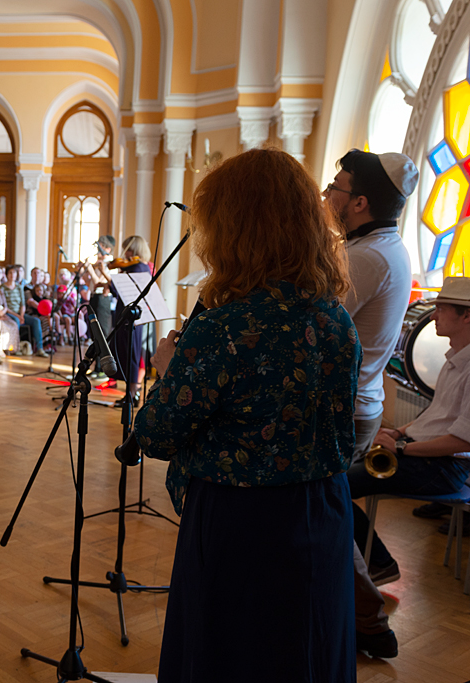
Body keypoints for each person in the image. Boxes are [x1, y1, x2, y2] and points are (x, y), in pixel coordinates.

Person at [134, 148, 359, 682]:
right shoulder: (334, 318)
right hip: (322, 510)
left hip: (241, 525)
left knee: (230, 657)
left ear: (237, 230)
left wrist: (168, 367)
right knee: (306, 652)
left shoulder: (225, 326)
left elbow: (156, 433)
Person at [325, 148, 419, 658]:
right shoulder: (381, 247)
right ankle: (363, 611)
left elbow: (314, 320)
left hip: (345, 405)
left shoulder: (367, 256)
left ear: (359, 202)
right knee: (329, 507)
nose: (329, 195)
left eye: (336, 188)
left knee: (326, 511)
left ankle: (367, 618)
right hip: (360, 400)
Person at [348, 277, 470, 599]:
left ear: (466, 316)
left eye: (441, 309)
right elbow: (437, 416)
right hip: (425, 456)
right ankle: (364, 562)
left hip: (446, 468)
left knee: (335, 488)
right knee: (335, 481)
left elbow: (464, 442)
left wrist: (402, 446)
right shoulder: (455, 357)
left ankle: (378, 563)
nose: (432, 316)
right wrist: (400, 431)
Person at [112, 235, 153, 404]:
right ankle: (131, 392)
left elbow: (119, 291)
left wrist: (111, 278)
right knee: (130, 354)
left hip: (131, 317)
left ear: (135, 250)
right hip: (131, 316)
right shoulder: (141, 267)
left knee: (131, 354)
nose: (125, 253)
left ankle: (131, 394)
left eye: (127, 249)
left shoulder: (137, 268)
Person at [0, 264, 46, 357]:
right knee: (16, 321)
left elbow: (22, 304)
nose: (12, 275)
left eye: (14, 273)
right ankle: (16, 347)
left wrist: (21, 315)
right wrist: (18, 316)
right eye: (10, 273)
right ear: (6, 274)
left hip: (20, 313)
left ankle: (39, 348)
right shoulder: (2, 288)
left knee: (36, 321)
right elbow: (4, 306)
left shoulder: (19, 287)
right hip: (9, 312)